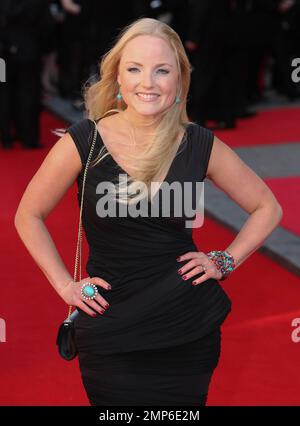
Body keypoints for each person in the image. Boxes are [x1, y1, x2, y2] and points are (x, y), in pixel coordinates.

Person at [14, 17, 283, 406]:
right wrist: (64, 285)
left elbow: (266, 206)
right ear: (118, 78)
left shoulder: (197, 143)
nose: (148, 82)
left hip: (187, 326)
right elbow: (28, 214)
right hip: (111, 325)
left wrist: (225, 260)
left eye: (162, 70)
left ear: (179, 80)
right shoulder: (85, 142)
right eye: (135, 69)